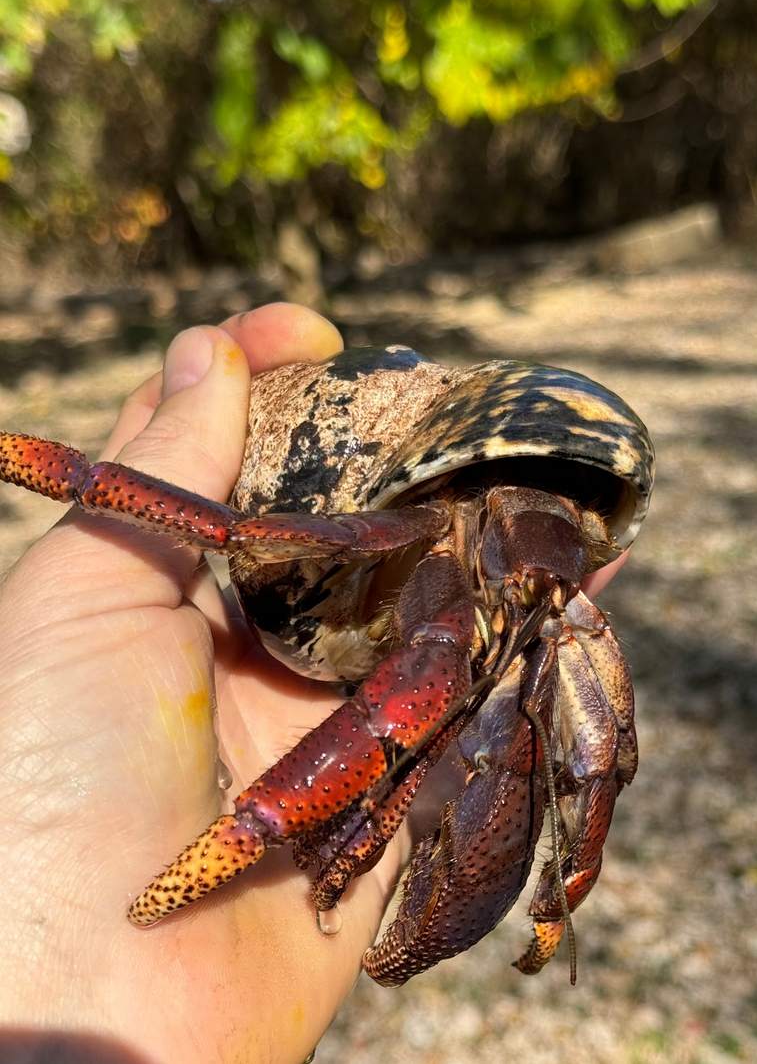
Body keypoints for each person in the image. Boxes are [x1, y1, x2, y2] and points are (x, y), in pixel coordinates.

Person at [0, 303, 628, 1064]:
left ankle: (554, 907)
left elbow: (602, 750)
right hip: (385, 523)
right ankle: (248, 831)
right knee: (446, 659)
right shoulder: (438, 573)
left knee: (580, 726)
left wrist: (569, 877)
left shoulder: (568, 613)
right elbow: (233, 529)